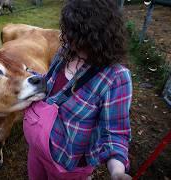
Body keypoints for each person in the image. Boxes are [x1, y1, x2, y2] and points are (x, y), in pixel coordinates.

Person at [23, 0, 132, 179]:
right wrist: (24, 75)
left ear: (95, 36)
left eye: (73, 33)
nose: (65, 37)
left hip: (67, 166)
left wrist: (118, 172)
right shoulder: (66, 52)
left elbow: (115, 133)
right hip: (37, 149)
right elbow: (49, 84)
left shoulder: (116, 78)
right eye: (66, 30)